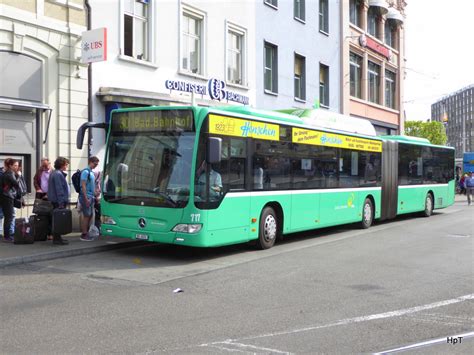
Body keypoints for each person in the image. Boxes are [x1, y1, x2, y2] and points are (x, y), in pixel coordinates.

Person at [47, 157, 70, 245]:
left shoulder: (55, 173)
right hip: (58, 201)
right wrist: (61, 202)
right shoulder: (57, 174)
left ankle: (58, 238)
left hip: (56, 200)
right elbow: (59, 189)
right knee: (58, 220)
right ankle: (57, 239)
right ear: (62, 165)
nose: (67, 166)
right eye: (66, 164)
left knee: (57, 220)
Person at [79, 156, 100, 241]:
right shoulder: (85, 172)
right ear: (90, 162)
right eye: (95, 164)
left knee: (90, 215)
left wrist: (95, 194)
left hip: (90, 196)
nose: (96, 165)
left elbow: (90, 186)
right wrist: (86, 198)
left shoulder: (91, 172)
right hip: (86, 196)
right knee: (87, 216)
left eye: (97, 164)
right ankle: (84, 234)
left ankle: (86, 232)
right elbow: (83, 185)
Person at [0, 159, 20, 242]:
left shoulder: (6, 173)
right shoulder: (10, 173)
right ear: (10, 166)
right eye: (15, 165)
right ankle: (7, 236)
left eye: (17, 165)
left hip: (5, 196)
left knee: (8, 216)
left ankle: (7, 235)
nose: (17, 167)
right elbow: (16, 184)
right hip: (7, 197)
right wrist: (18, 176)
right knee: (9, 217)